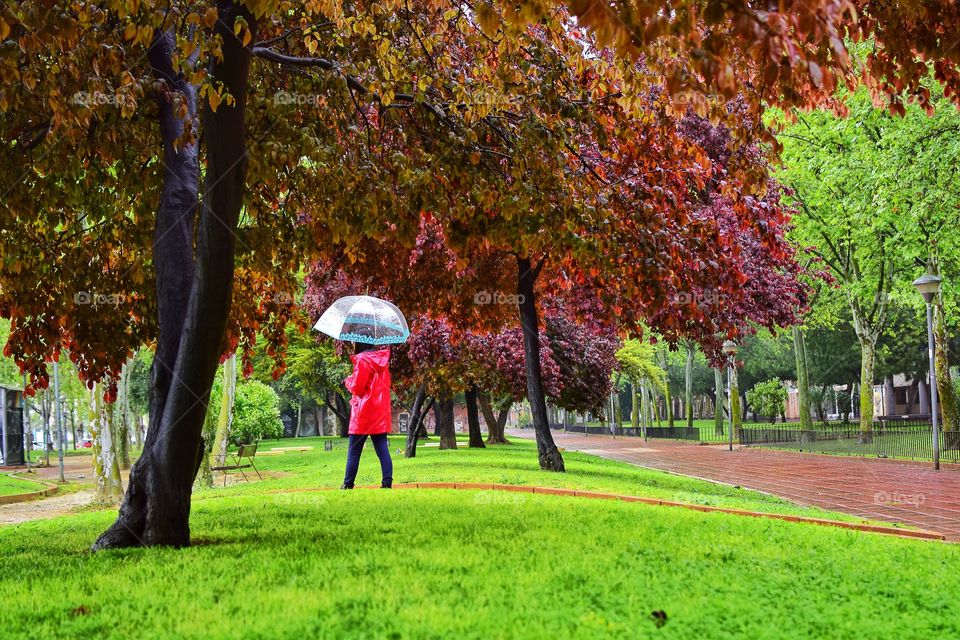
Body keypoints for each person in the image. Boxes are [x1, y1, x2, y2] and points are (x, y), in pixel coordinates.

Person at [341, 342, 393, 489]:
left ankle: (348, 484)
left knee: (354, 451)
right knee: (382, 448)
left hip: (363, 412)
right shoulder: (382, 360)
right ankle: (387, 483)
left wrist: (348, 380)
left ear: (359, 342)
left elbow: (358, 388)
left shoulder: (362, 360)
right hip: (378, 411)